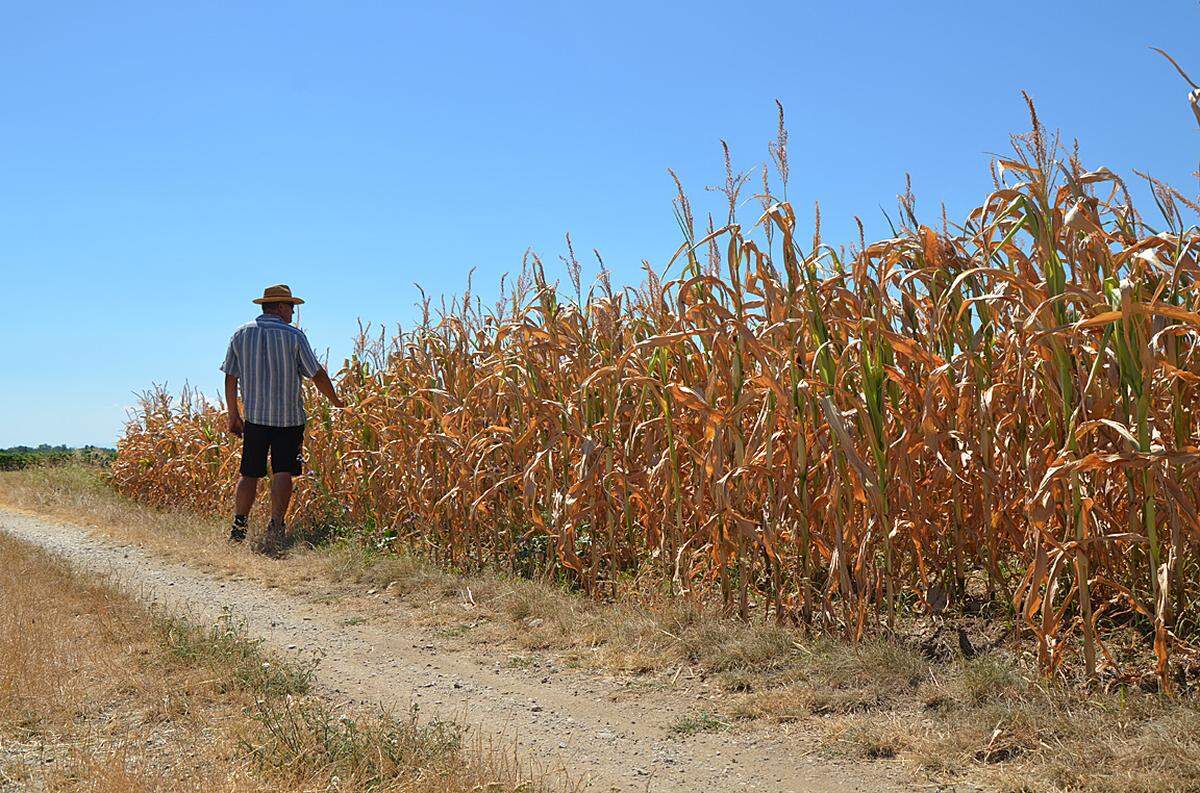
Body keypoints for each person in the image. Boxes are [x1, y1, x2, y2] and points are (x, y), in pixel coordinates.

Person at [220, 284, 343, 555]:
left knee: (249, 472)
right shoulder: (294, 336)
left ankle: (238, 528)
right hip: (288, 418)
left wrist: (233, 414)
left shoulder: (241, 334)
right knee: (283, 471)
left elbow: (230, 377)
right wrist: (335, 401)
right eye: (290, 306)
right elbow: (317, 374)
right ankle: (276, 526)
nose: (293, 311)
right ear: (278, 307)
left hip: (254, 418)